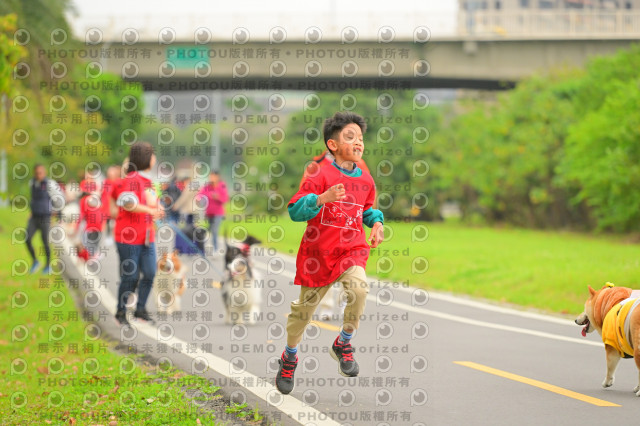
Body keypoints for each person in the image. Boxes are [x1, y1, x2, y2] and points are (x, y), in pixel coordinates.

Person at [275, 112, 385, 395]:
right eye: (350, 137)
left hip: (351, 250)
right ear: (332, 144)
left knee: (359, 290)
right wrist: (322, 199)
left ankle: (343, 342)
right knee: (302, 313)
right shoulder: (318, 172)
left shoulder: (366, 179)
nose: (358, 142)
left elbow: (367, 210)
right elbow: (295, 210)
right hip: (318, 255)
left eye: (360, 138)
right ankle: (289, 356)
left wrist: (377, 223)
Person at [301, 150, 376, 320]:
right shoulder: (316, 165)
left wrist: (373, 218)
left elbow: (368, 193)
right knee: (324, 268)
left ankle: (345, 302)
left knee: (350, 266)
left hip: (350, 227)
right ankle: (326, 306)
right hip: (325, 229)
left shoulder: (357, 163)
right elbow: (304, 194)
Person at [111, 142, 164, 326]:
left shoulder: (149, 181)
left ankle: (140, 309)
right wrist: (150, 210)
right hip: (128, 237)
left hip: (147, 236)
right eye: (152, 154)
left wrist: (158, 210)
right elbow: (127, 203)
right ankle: (121, 311)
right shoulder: (131, 179)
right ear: (146, 158)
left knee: (150, 272)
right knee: (131, 276)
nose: (154, 158)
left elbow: (153, 202)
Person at [26, 164, 64, 274]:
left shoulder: (50, 184)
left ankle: (47, 266)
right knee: (27, 238)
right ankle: (35, 261)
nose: (39, 175)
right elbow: (33, 199)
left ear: (44, 172)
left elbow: (60, 198)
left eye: (41, 172)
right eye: (37, 173)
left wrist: (56, 211)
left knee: (45, 241)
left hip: (45, 217)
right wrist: (31, 210)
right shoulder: (32, 183)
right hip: (34, 217)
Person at [197, 171, 228, 252]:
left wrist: (218, 197)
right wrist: (200, 199)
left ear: (217, 177)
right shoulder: (207, 186)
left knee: (215, 230)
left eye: (213, 177)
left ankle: (216, 249)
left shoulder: (222, 186)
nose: (211, 178)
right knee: (208, 229)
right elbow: (200, 195)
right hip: (209, 213)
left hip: (218, 213)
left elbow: (225, 199)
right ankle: (202, 247)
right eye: (210, 177)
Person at [101, 165, 121, 245]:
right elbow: (103, 193)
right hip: (106, 205)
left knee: (114, 222)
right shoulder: (106, 182)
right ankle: (108, 236)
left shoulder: (118, 182)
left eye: (112, 172)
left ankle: (115, 236)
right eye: (109, 172)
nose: (111, 173)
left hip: (114, 206)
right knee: (108, 222)